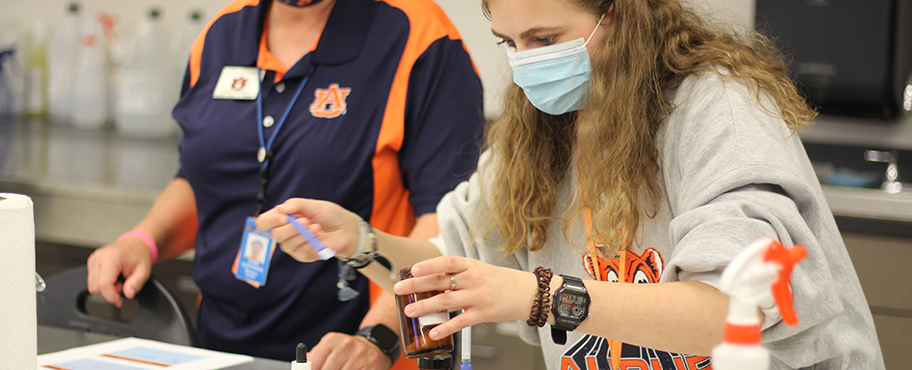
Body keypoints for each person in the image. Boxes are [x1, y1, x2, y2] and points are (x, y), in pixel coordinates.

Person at [255, 0, 886, 368]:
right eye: (511, 43)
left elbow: (732, 310)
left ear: (621, 14)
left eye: (546, 39)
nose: (528, 62)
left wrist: (541, 296)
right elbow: (453, 262)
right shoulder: (544, 129)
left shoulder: (715, 108)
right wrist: (364, 242)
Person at [86, 0, 483, 368]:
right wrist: (143, 241)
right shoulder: (221, 34)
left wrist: (378, 338)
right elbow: (203, 178)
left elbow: (447, 227)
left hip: (356, 352)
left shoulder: (419, 38)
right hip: (215, 348)